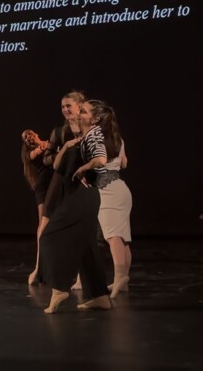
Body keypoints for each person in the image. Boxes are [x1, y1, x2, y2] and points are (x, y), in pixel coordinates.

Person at [39, 99, 111, 313]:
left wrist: (83, 168)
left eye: (83, 111)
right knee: (87, 247)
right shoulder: (79, 138)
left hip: (83, 196)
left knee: (49, 236)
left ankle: (59, 288)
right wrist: (68, 146)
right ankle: (99, 297)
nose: (78, 114)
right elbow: (57, 166)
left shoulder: (95, 133)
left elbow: (101, 159)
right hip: (79, 196)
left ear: (95, 118)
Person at [41, 90, 87, 290]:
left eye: (69, 105)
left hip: (81, 181)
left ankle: (81, 277)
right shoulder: (59, 132)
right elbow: (47, 159)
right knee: (45, 226)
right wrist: (63, 149)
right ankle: (43, 271)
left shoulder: (90, 128)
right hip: (60, 181)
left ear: (80, 106)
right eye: (63, 107)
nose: (65, 110)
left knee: (81, 230)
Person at [89, 100, 133, 299]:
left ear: (97, 119)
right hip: (121, 190)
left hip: (108, 190)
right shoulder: (118, 139)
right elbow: (124, 163)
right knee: (122, 237)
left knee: (112, 235)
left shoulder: (97, 140)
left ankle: (121, 276)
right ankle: (122, 281)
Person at [20, 129, 53, 285]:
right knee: (43, 224)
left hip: (53, 185)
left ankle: (48, 266)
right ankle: (39, 267)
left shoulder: (47, 142)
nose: (28, 136)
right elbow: (38, 152)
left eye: (29, 133)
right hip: (43, 187)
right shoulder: (31, 153)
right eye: (25, 137)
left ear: (36, 133)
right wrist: (42, 147)